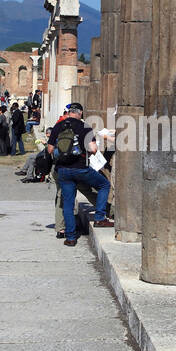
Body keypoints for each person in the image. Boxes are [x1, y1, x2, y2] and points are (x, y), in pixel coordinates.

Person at [47, 102, 113, 246]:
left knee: (68, 204)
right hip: (80, 168)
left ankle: (70, 238)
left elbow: (50, 150)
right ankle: (100, 217)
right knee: (104, 184)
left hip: (63, 170)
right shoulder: (84, 127)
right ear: (80, 113)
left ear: (69, 112)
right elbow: (94, 149)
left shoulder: (59, 126)